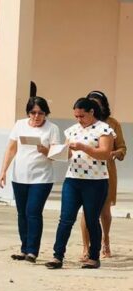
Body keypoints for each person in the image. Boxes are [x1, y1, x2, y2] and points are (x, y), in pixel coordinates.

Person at [45, 98, 115, 270]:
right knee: (65, 219)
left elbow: (105, 154)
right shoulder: (72, 130)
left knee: (91, 219)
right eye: (76, 116)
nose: (79, 119)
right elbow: (67, 154)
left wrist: (84, 147)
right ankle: (57, 256)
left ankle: (94, 256)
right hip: (73, 179)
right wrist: (57, 152)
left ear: (91, 112)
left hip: (95, 181)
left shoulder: (104, 129)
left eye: (82, 116)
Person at [0, 96, 61, 262]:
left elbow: (56, 155)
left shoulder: (52, 128)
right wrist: (3, 171)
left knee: (33, 212)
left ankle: (32, 251)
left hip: (41, 178)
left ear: (46, 113)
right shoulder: (19, 125)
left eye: (40, 113)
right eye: (33, 113)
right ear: (28, 113)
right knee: (22, 213)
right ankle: (24, 248)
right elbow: (11, 149)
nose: (36, 116)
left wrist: (45, 150)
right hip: (20, 176)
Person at [80, 90, 127, 259]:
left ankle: (105, 240)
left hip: (106, 172)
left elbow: (122, 147)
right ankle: (86, 247)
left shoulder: (112, 123)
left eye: (97, 104)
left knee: (105, 211)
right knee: (86, 211)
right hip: (85, 171)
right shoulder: (82, 123)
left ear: (103, 105)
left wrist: (115, 153)